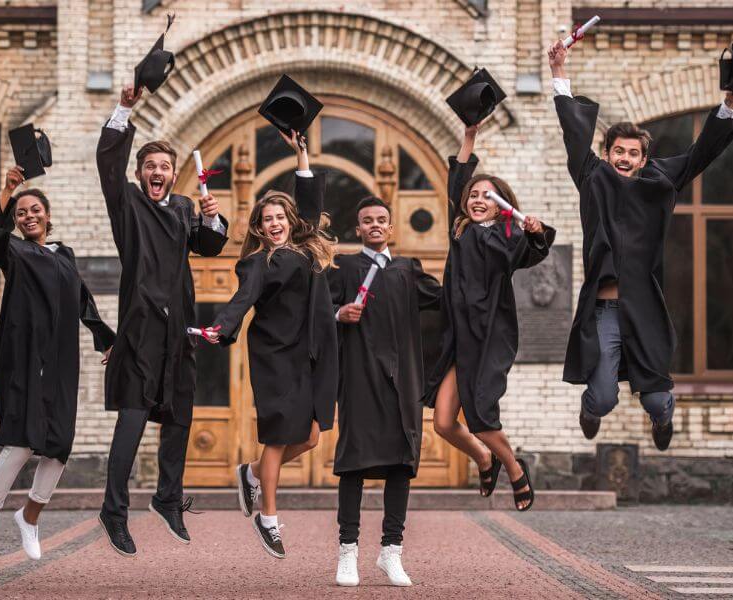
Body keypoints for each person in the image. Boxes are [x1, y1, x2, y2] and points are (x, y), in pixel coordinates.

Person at [548, 40, 733, 450]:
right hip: (604, 310)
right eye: (617, 151)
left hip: (644, 307)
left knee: (656, 396)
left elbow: (699, 155)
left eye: (632, 153)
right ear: (606, 153)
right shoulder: (593, 178)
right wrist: (559, 73)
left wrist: (729, 103)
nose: (623, 157)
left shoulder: (659, 183)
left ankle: (662, 418)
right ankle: (590, 408)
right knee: (602, 396)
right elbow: (572, 133)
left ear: (643, 159)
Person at [96, 84, 229, 557]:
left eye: (165, 167)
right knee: (132, 420)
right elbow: (108, 163)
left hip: (179, 330)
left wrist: (214, 220)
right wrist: (124, 108)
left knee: (180, 416)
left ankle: (167, 498)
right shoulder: (127, 204)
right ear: (139, 173)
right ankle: (114, 511)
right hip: (140, 329)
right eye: (150, 166)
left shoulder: (182, 208)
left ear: (174, 176)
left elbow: (210, 246)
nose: (158, 172)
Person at [202, 130, 337, 560]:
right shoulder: (258, 262)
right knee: (278, 436)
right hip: (276, 356)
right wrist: (220, 327)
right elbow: (241, 300)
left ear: (290, 221)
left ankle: (253, 474)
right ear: (259, 228)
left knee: (313, 437)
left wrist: (301, 155)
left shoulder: (305, 249)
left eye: (280, 217)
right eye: (267, 220)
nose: (274, 224)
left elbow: (311, 202)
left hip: (310, 353)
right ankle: (269, 518)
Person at [0, 166, 115, 563]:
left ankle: (30, 516)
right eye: (21, 213)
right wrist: (8, 190)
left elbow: (84, 300)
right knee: (22, 439)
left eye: (35, 209)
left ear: (48, 216)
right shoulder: (13, 251)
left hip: (60, 360)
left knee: (59, 444)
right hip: (23, 357)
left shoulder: (64, 255)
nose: (28, 215)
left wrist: (106, 339)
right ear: (15, 222)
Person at [422, 121, 556, 512]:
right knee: (444, 423)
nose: (478, 199)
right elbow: (457, 178)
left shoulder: (506, 237)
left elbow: (536, 249)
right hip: (459, 339)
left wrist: (533, 231)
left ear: (502, 205)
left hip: (489, 337)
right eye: (474, 194)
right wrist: (468, 137)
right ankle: (485, 458)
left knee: (481, 415)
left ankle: (515, 470)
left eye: (488, 196)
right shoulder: (459, 230)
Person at [328, 196, 442, 587]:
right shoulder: (343, 267)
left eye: (381, 220)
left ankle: (391, 551)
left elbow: (449, 301)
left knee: (400, 464)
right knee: (354, 464)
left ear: (391, 227)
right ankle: (348, 552)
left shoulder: (408, 269)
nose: (374, 225)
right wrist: (338, 313)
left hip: (403, 381)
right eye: (366, 221)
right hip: (360, 378)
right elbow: (313, 311)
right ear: (357, 228)